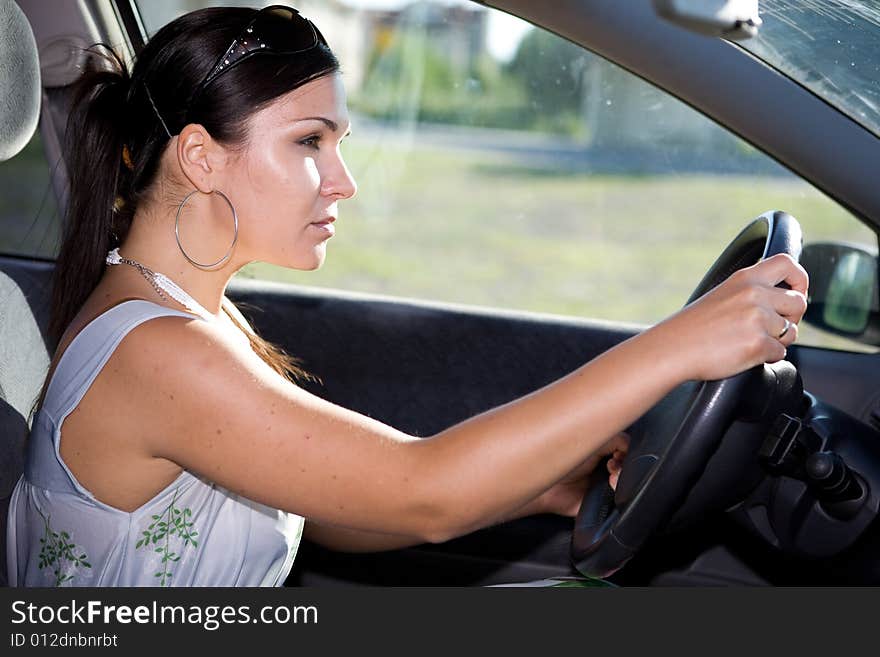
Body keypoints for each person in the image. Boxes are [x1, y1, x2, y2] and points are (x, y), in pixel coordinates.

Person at [6, 4, 807, 587]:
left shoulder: (183, 311)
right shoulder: (158, 350)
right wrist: (682, 343)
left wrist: (537, 488)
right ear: (201, 158)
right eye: (309, 142)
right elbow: (423, 491)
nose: (343, 182)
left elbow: (325, 507)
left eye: (339, 144)